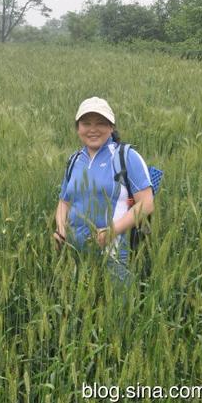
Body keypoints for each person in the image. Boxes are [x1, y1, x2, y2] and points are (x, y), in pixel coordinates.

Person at [53, 97, 155, 284]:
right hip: (76, 257)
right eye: (86, 123)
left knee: (116, 310)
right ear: (78, 128)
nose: (93, 129)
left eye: (100, 123)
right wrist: (60, 229)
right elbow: (64, 201)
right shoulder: (74, 160)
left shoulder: (127, 156)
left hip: (116, 257)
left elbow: (147, 204)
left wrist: (111, 232)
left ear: (111, 127)